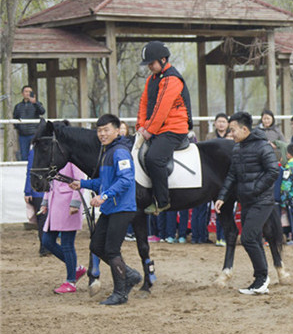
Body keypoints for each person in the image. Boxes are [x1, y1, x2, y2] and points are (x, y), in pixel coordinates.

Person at [69, 114, 142, 306]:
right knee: (96, 246)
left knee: (111, 250)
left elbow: (126, 180)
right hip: (111, 208)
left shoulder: (120, 152)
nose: (102, 134)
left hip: (122, 208)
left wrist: (104, 196)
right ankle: (130, 275)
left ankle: (120, 293)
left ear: (117, 131)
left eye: (106, 130)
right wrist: (82, 183)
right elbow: (104, 181)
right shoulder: (107, 151)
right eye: (99, 130)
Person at [214, 112, 279, 295]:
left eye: (233, 130)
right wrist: (222, 197)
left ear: (244, 129)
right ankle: (261, 279)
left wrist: (256, 189)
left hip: (262, 201)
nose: (231, 134)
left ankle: (262, 278)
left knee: (248, 238)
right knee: (254, 239)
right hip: (246, 201)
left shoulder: (263, 146)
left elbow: (273, 171)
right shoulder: (237, 149)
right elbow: (231, 176)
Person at [136, 40, 193, 215]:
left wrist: (149, 131)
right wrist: (140, 126)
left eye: (151, 63)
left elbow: (162, 108)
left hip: (174, 129)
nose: (149, 67)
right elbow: (144, 103)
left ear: (162, 60)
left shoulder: (172, 79)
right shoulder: (151, 80)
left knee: (154, 158)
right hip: (158, 129)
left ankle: (162, 201)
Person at [40, 157, 87, 293]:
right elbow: (50, 181)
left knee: (67, 244)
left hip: (68, 205)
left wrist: (75, 203)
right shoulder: (53, 158)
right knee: (47, 241)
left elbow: (79, 181)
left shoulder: (73, 159)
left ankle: (71, 281)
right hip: (54, 205)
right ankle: (76, 268)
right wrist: (45, 201)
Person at [206, 113, 229, 246]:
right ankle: (218, 236)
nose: (221, 124)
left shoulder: (231, 136)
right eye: (219, 121)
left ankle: (224, 237)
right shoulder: (210, 137)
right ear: (215, 123)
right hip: (213, 176)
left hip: (227, 176)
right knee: (217, 208)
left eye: (223, 121)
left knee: (227, 208)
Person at [25, 147, 49, 256]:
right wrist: (28, 191)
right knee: (43, 220)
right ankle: (44, 247)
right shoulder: (35, 152)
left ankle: (46, 246)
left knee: (43, 220)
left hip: (43, 192)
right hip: (39, 192)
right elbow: (30, 171)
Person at [13, 85, 45, 161]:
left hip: (34, 134)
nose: (28, 93)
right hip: (22, 135)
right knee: (24, 156)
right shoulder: (18, 106)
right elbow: (15, 119)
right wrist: (19, 128)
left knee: (34, 155)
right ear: (22, 93)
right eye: (26, 91)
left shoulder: (37, 104)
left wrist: (35, 102)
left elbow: (42, 112)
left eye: (29, 92)